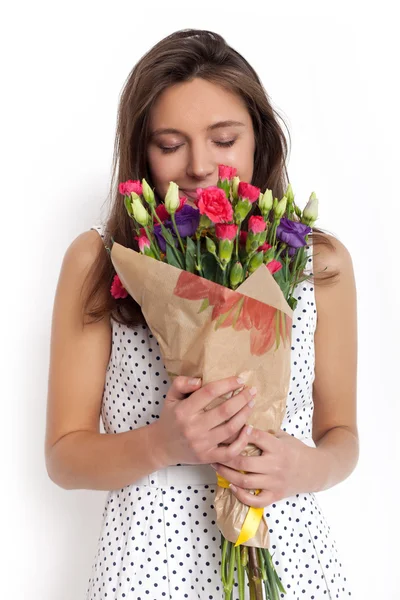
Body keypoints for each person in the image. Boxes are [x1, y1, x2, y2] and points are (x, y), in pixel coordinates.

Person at [44, 28, 358, 599]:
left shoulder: (319, 262)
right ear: (142, 152)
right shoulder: (98, 258)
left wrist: (303, 469)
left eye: (223, 139)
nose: (199, 167)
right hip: (147, 568)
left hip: (293, 560)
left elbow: (342, 437)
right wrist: (163, 445)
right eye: (170, 144)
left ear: (259, 141)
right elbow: (65, 456)